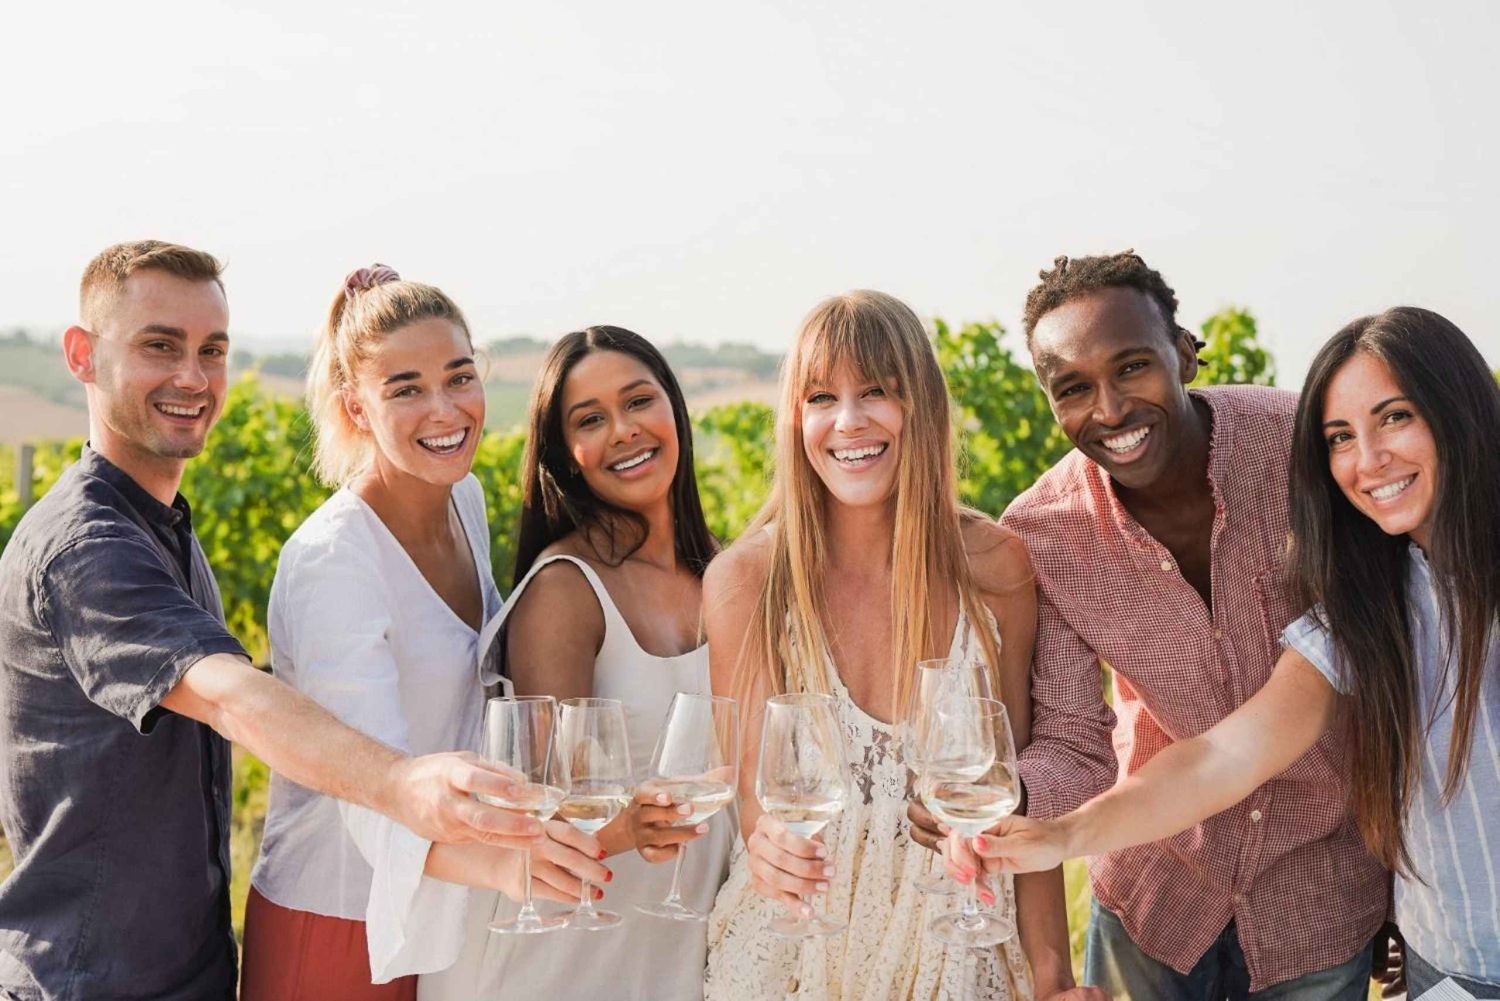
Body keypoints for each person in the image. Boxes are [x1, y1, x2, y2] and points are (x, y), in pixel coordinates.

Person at [0, 242, 541, 1001]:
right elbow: (226, 694)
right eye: (160, 346)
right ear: (83, 356)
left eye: (212, 350)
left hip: (188, 965)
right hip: (93, 982)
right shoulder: (88, 547)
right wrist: (401, 782)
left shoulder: (159, 525)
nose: (193, 376)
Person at [961, 307, 1500, 999]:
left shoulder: (1280, 439)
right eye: (1340, 437)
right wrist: (1058, 833)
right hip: (1434, 958)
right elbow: (1223, 756)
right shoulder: (1367, 604)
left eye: (1395, 418)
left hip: (1329, 906)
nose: (1367, 460)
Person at [913, 252, 1391, 1000]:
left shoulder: (1302, 447)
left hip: (1321, 894)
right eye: (1073, 388)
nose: (1108, 410)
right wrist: (1004, 794)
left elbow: (1403, 666)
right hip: (1156, 892)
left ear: (1185, 353)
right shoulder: (1045, 532)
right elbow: (1074, 740)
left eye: (1132, 367)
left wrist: (1409, 889)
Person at [703, 290, 1089, 1000]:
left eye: (877, 391)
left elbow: (1014, 800)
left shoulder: (995, 567)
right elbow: (758, 801)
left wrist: (1054, 979)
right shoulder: (747, 580)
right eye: (822, 397)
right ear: (796, 419)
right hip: (795, 951)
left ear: (922, 405)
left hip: (956, 948)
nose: (849, 421)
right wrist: (766, 843)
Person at [240, 266, 609, 1001]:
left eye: (459, 377)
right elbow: (364, 783)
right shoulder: (335, 561)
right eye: (405, 388)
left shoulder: (462, 496)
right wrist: (505, 863)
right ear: (356, 406)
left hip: (438, 910)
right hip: (338, 919)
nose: (444, 409)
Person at [450, 324, 732, 999]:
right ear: (567, 456)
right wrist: (630, 826)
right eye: (591, 419)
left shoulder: (721, 572)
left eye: (638, 401)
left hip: (683, 949)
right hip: (570, 957)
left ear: (673, 409)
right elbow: (541, 813)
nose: (624, 431)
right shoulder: (564, 590)